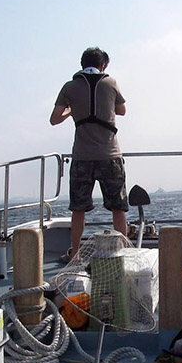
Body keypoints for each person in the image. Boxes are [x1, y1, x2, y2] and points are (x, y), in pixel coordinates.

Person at [51, 47, 128, 257]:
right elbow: (122, 110)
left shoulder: (69, 87)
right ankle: (123, 253)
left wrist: (71, 110)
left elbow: (54, 119)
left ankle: (75, 253)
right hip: (110, 155)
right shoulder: (110, 83)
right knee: (118, 208)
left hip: (82, 156)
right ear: (103, 66)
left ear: (82, 64)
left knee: (78, 209)